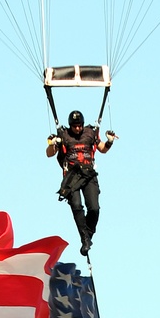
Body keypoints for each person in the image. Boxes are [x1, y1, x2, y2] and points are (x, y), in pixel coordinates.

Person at [46, 109, 116, 256]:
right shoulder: (63, 135)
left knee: (94, 208)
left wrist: (109, 141)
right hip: (72, 177)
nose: (77, 129)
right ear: (70, 126)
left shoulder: (90, 133)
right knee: (76, 205)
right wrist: (53, 144)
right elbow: (49, 154)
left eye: (79, 126)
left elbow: (102, 149)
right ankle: (84, 239)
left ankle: (88, 234)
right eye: (74, 126)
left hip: (88, 174)